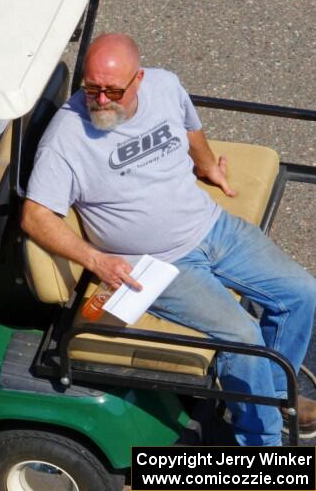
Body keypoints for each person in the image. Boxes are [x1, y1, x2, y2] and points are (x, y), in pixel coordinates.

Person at [21, 33, 316, 446]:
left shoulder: (164, 85)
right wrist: (96, 260)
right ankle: (263, 441)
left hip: (211, 226)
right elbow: (36, 217)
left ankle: (273, 396)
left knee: (302, 293)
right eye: (92, 89)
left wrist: (208, 164)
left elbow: (190, 127)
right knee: (245, 338)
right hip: (158, 264)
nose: (100, 101)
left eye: (112, 91)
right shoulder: (66, 138)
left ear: (138, 79)